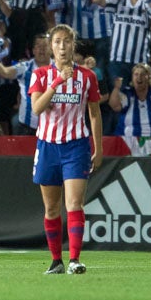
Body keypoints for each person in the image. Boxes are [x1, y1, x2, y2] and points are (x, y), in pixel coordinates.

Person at [28, 24, 103, 276]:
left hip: (76, 146)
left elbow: (94, 113)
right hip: (48, 146)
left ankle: (74, 259)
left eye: (67, 41)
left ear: (74, 45)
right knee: (51, 208)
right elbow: (36, 109)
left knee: (74, 204)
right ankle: (55, 260)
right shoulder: (39, 74)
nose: (62, 46)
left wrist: (98, 147)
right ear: (51, 46)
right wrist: (58, 82)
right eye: (57, 42)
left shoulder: (88, 77)